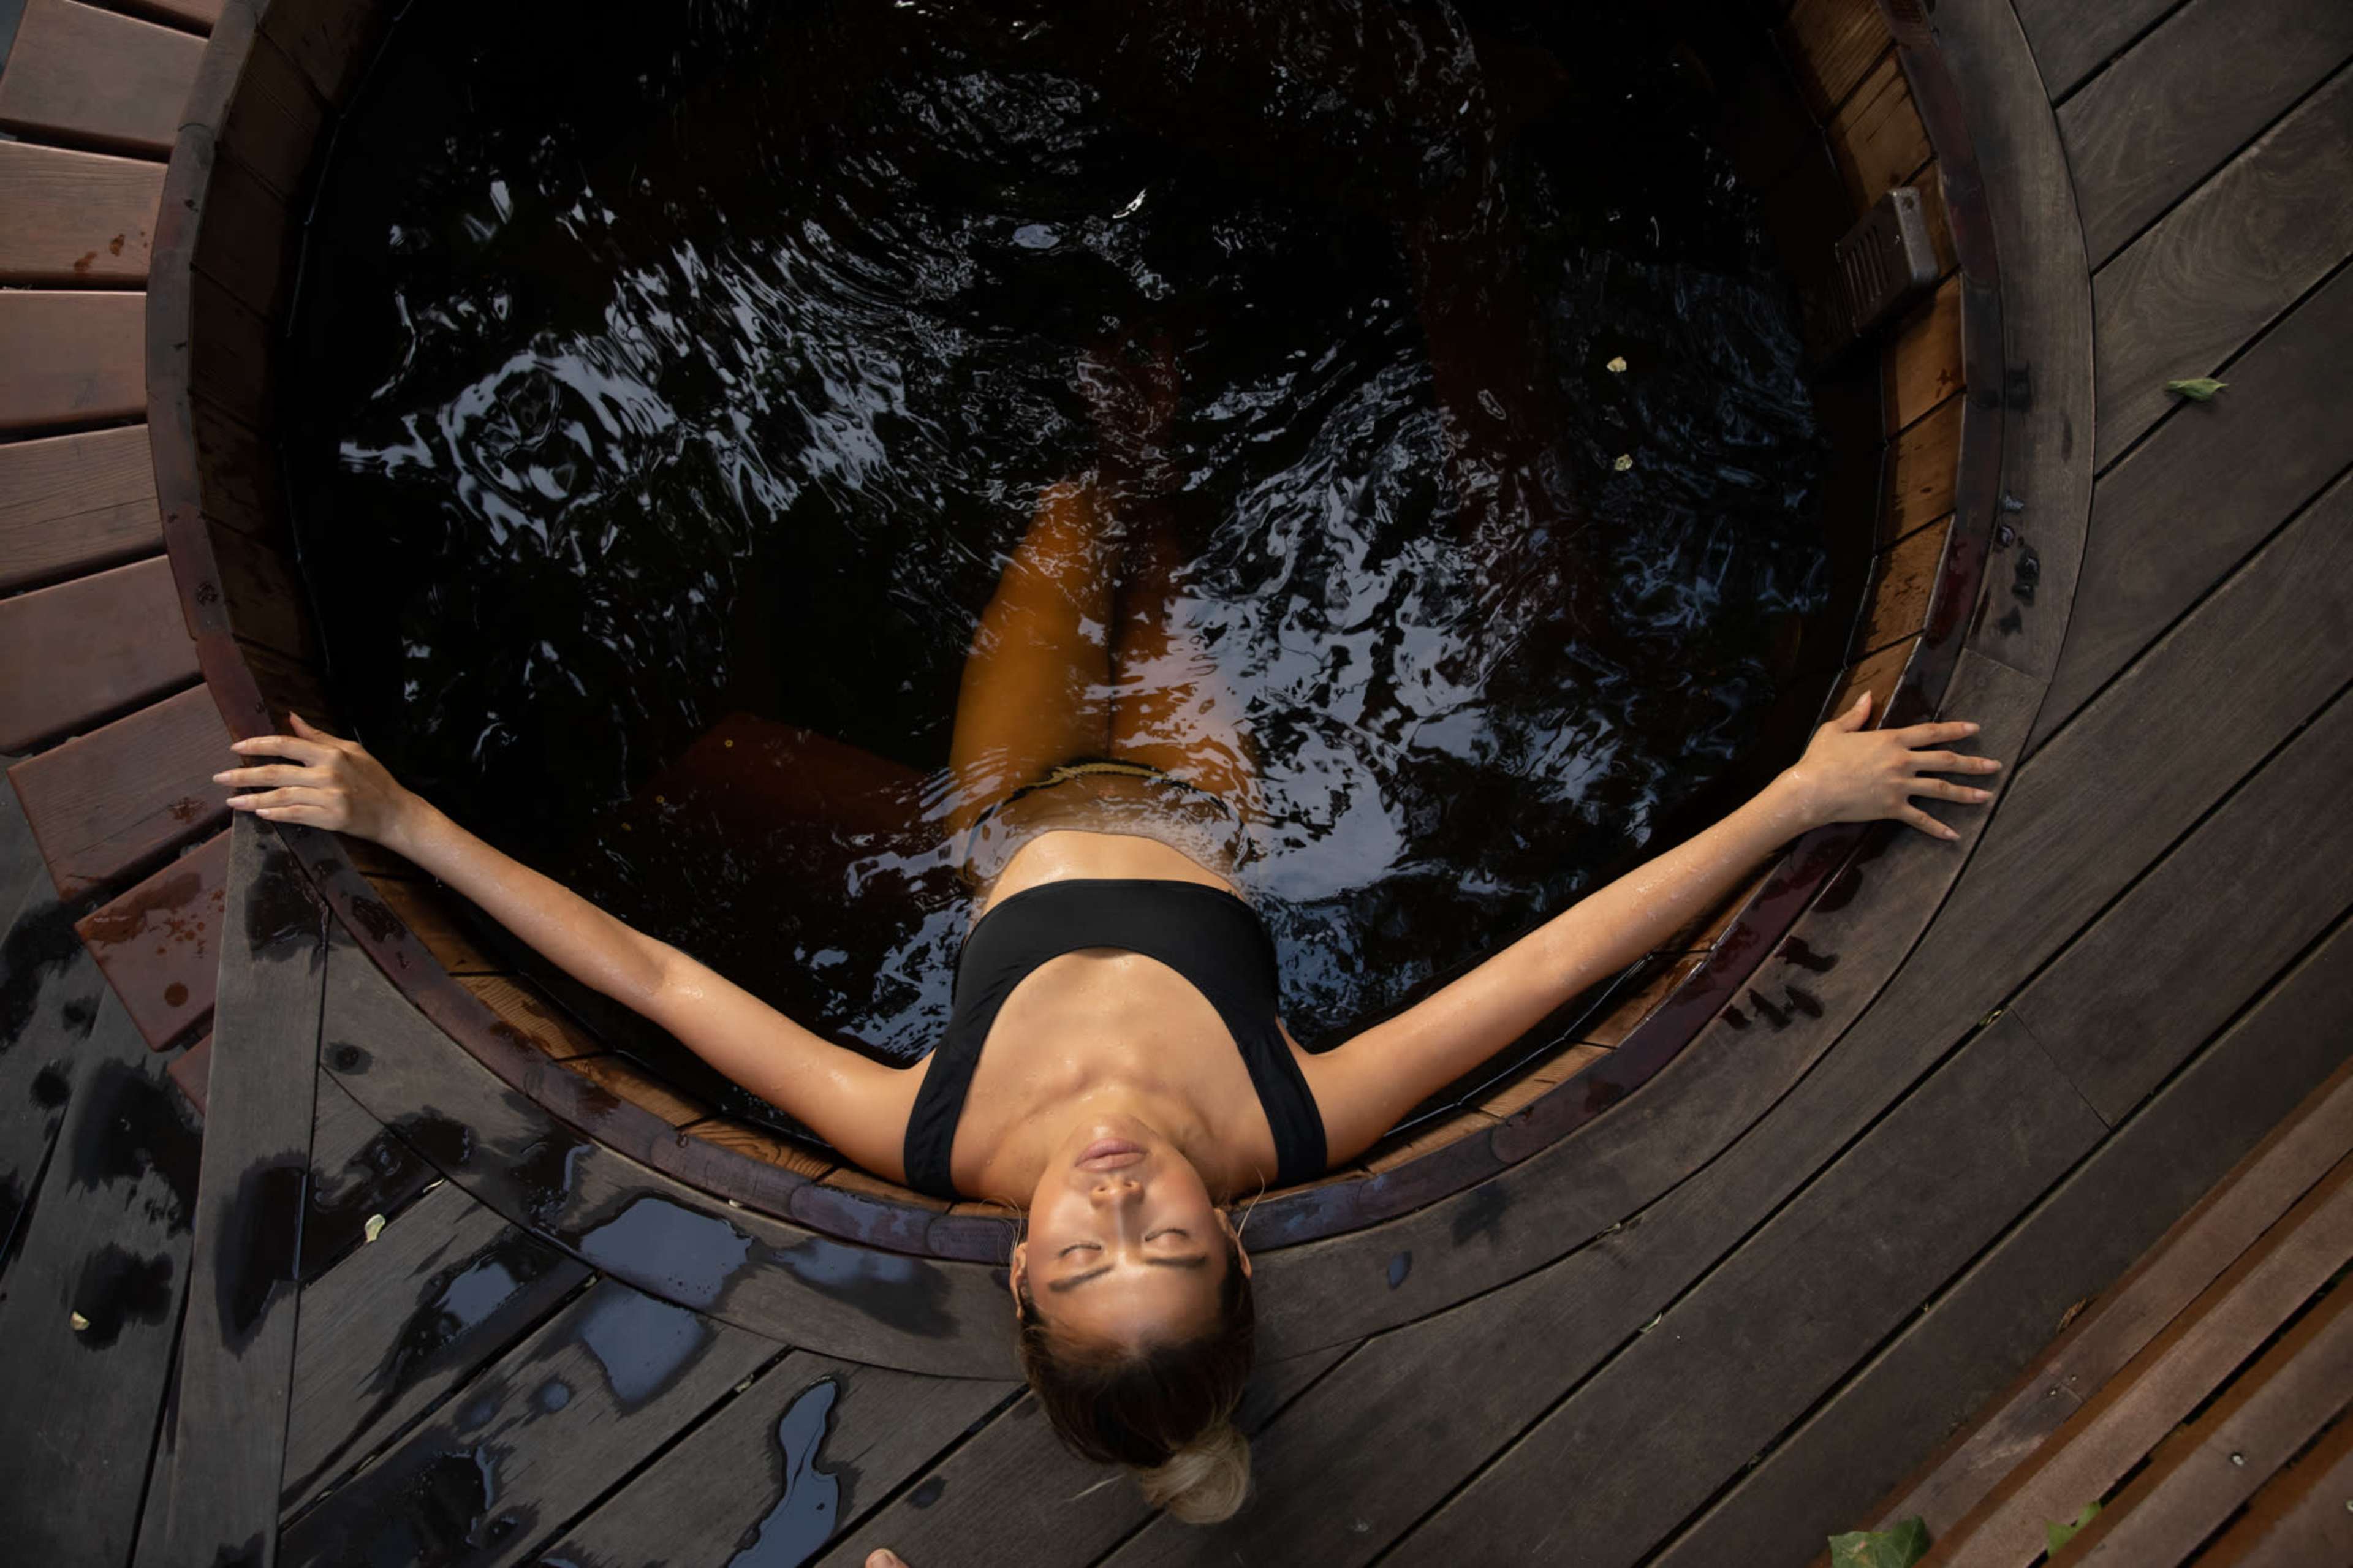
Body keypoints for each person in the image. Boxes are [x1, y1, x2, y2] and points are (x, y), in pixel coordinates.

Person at [214, 341, 2002, 1526]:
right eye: (1167, 1241)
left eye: (1084, 1256)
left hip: (1008, 803)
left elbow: (670, 988)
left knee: (1069, 523)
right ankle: (1156, 428)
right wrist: (1787, 806)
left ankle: (1116, 444)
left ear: (1018, 1272)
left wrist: (403, 823)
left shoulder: (932, 1137)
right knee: (1167, 554)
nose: (1120, 1198)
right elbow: (1547, 967)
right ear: (1236, 1236)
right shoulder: (1297, 1124)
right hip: (1200, 790)